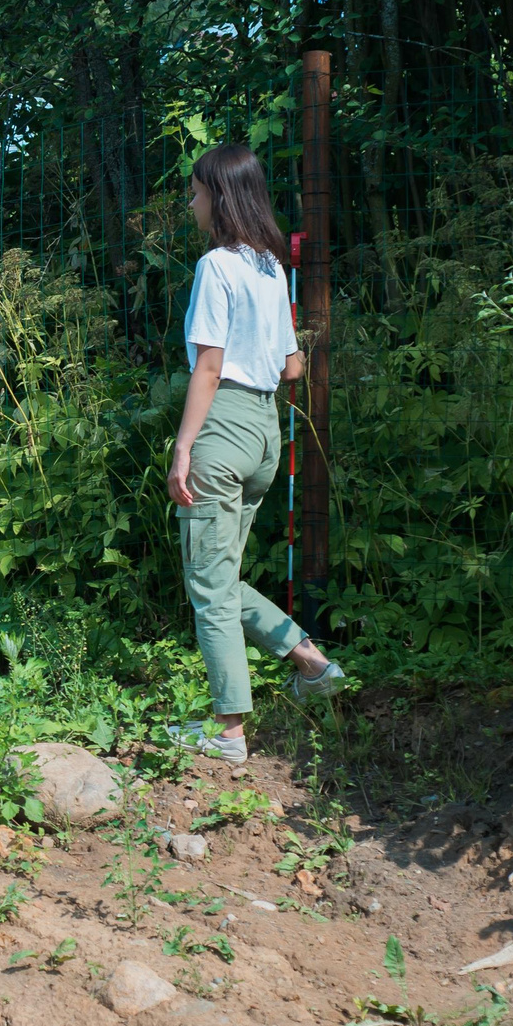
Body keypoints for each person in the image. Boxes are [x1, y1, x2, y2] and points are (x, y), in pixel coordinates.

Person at [165, 144, 347, 764]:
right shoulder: (272, 267)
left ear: (219, 195)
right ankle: (312, 663)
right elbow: (293, 366)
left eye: (195, 192)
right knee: (220, 578)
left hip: (222, 428)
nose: (190, 203)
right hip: (266, 431)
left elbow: (209, 366)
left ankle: (228, 733)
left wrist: (184, 445)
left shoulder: (216, 266)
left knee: (208, 587)